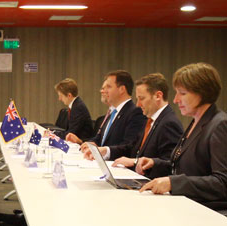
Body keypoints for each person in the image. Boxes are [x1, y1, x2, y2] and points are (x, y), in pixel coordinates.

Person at [138, 62, 227, 209]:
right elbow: (187, 167)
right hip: (186, 204)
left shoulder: (220, 125)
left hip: (207, 212)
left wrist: (173, 183)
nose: (175, 99)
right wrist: (155, 163)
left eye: (182, 93)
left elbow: (222, 182)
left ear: (203, 93)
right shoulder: (195, 122)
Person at [82, 73, 184, 179]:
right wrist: (106, 151)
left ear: (158, 96)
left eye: (141, 98)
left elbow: (171, 165)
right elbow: (132, 147)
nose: (138, 104)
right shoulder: (151, 120)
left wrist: (135, 162)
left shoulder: (169, 123)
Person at [66, 70, 146, 148]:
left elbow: (129, 146)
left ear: (122, 89)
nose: (102, 91)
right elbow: (99, 140)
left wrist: (105, 151)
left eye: (108, 87)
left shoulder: (135, 112)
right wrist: (81, 142)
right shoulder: (113, 112)